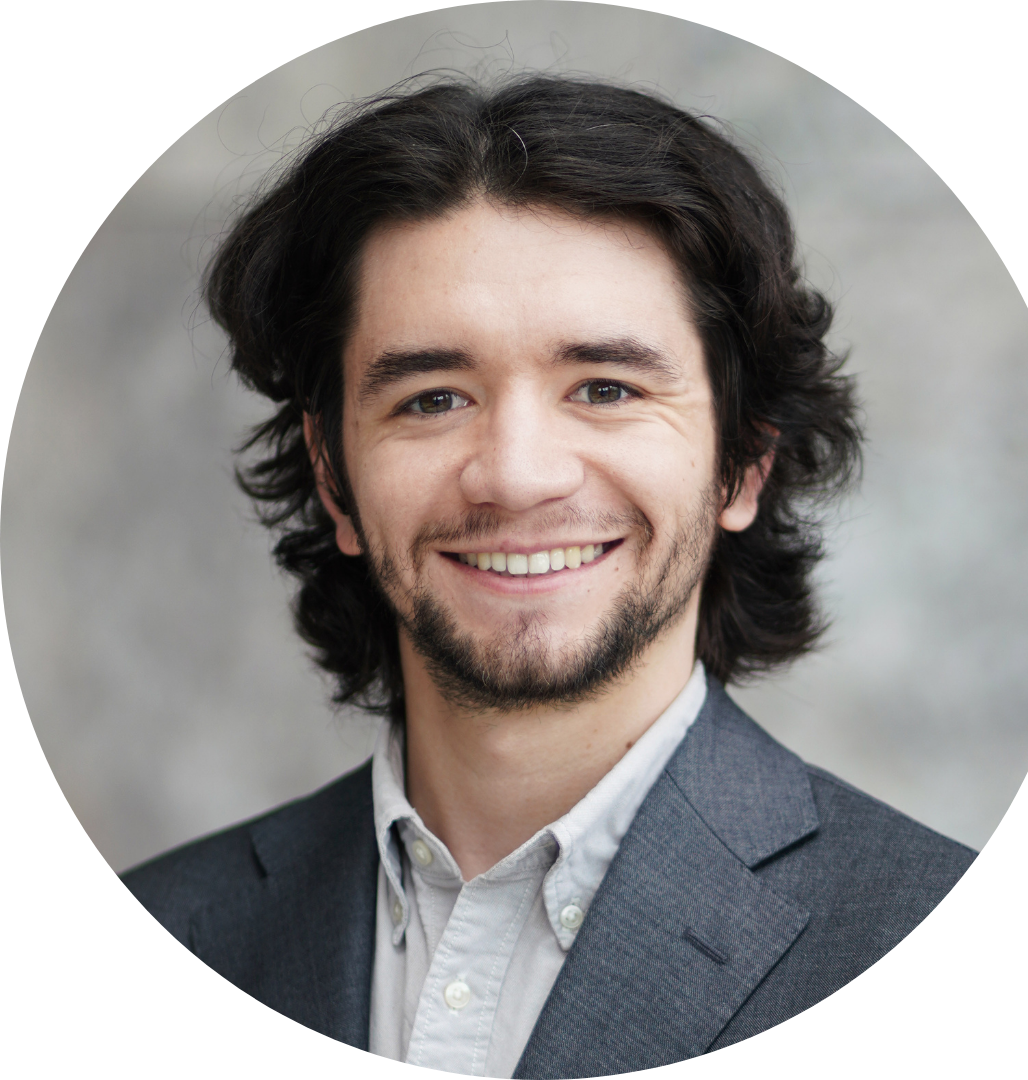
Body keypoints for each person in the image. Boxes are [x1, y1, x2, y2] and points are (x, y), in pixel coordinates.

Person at [123, 75, 975, 1077]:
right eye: (434, 398)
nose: (518, 475)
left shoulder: (948, 951)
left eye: (606, 389)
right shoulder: (148, 941)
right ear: (332, 477)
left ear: (744, 459)